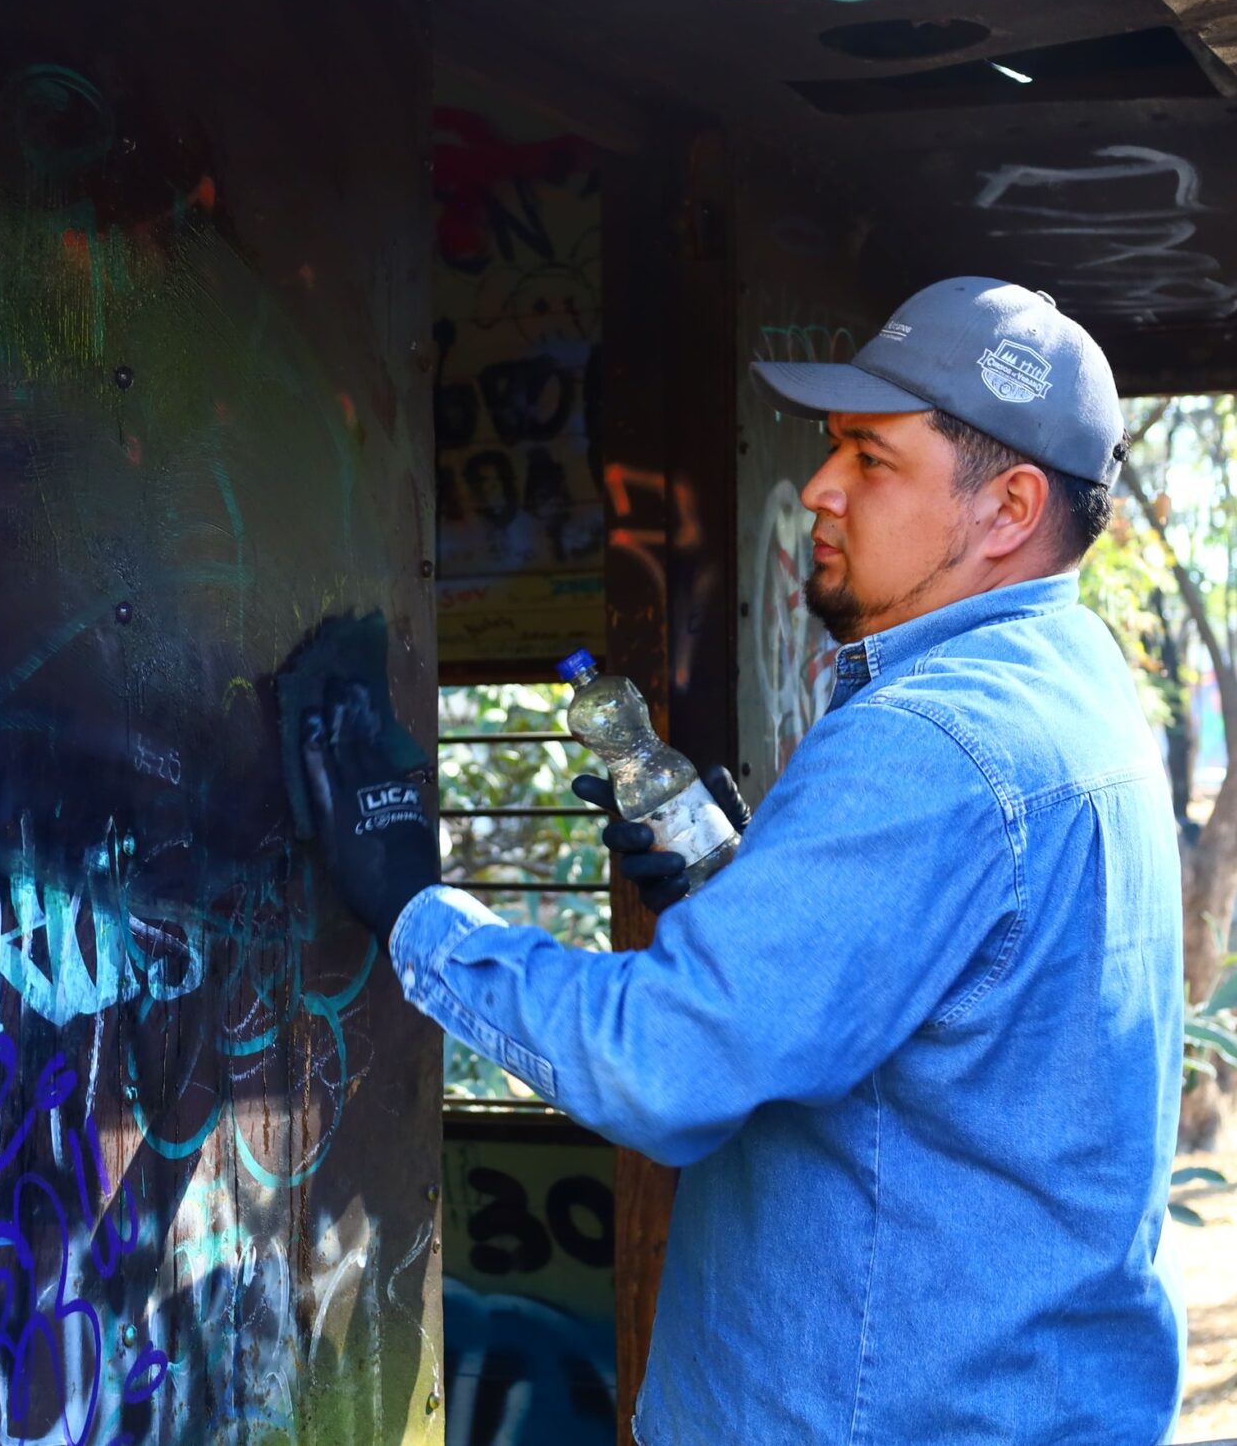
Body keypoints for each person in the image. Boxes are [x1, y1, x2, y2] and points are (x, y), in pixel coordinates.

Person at [298, 276, 1185, 1446]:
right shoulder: (1076, 683)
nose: (818, 488)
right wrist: (743, 898)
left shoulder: (934, 739)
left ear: (1008, 506)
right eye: (832, 451)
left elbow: (663, 1065)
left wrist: (411, 907)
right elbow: (946, 1014)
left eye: (872, 461)